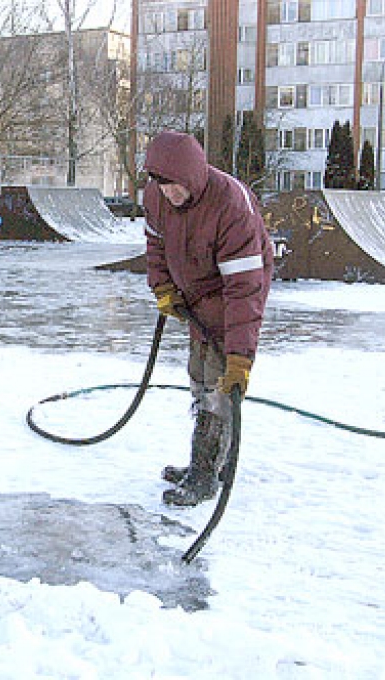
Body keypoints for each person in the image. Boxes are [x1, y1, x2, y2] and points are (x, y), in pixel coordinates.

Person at [142, 130, 274, 507]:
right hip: (195, 291)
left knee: (220, 382)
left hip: (232, 290)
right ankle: (204, 462)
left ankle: (206, 473)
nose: (169, 195)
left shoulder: (230, 206)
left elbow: (244, 290)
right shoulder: (156, 195)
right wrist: (164, 287)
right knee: (198, 374)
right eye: (162, 187)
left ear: (193, 177)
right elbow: (155, 245)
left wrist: (240, 359)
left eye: (175, 187)